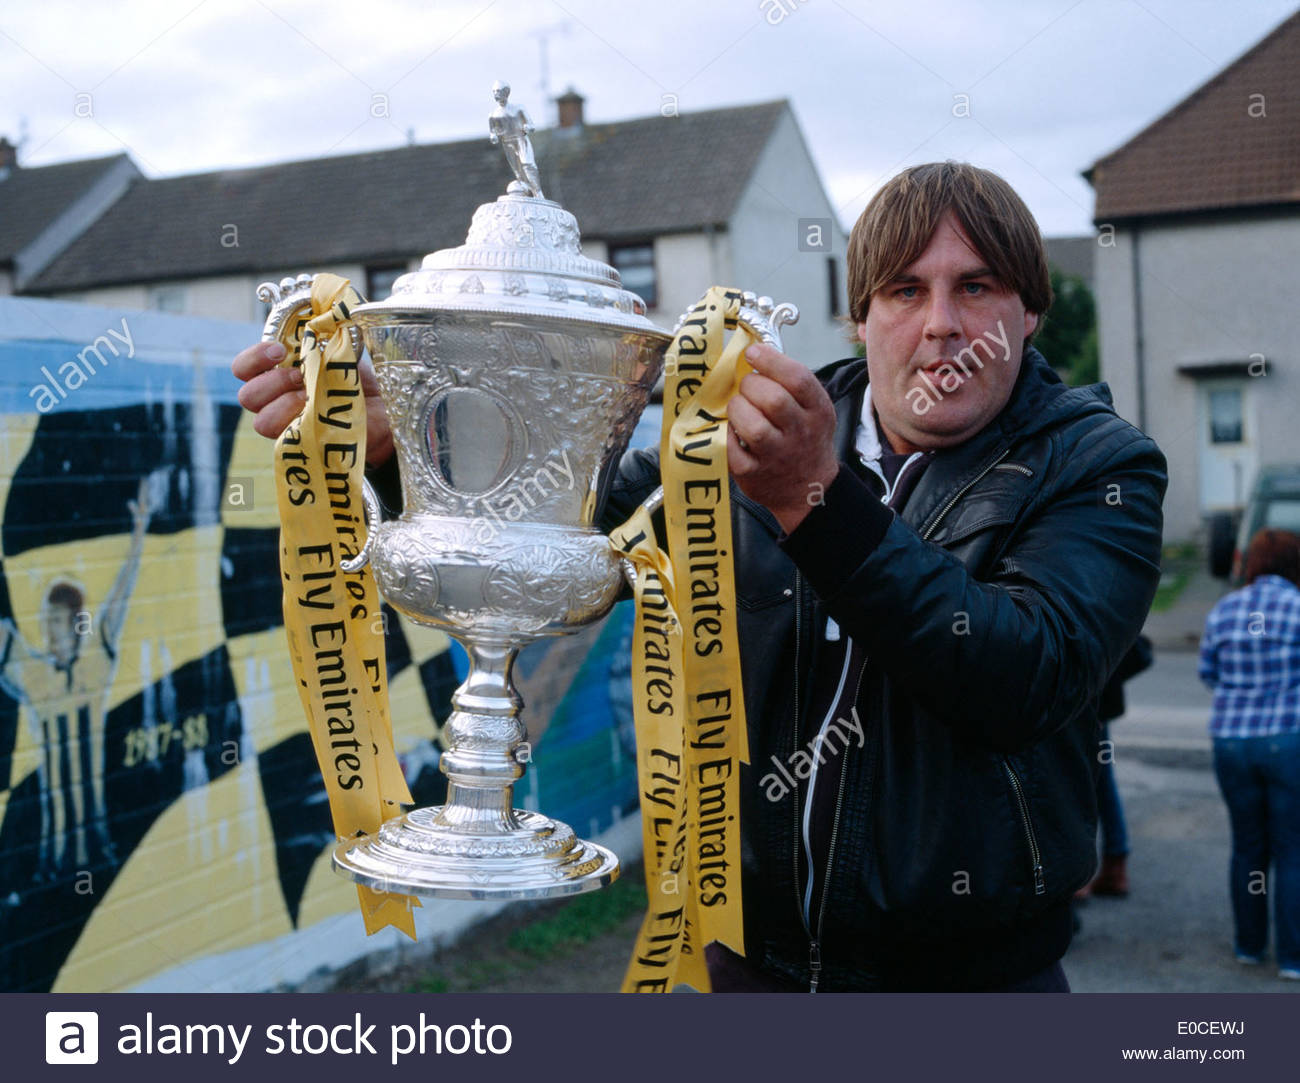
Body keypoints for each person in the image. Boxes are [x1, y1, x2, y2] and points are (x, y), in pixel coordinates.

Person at [233, 161, 1167, 991]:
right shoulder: (751, 425)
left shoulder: (1099, 464)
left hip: (972, 990)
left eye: (978, 286)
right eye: (904, 290)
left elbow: (1025, 675)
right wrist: (410, 449)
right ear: (861, 313)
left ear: (1031, 309)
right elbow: (573, 536)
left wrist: (817, 502)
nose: (941, 324)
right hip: (746, 967)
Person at [1198, 528, 1300, 981]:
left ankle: (1248, 946)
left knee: (1247, 847)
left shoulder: (1224, 610)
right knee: (1292, 850)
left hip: (1230, 743)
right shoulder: (1298, 608)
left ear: (1253, 563)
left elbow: (1207, 672)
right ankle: (1293, 959)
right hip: (1287, 740)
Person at [1074, 634, 1152, 901]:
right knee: (1101, 781)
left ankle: (1081, 874)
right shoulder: (1101, 593)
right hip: (1096, 701)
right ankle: (1114, 864)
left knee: (1076, 785)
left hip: (1078, 699)